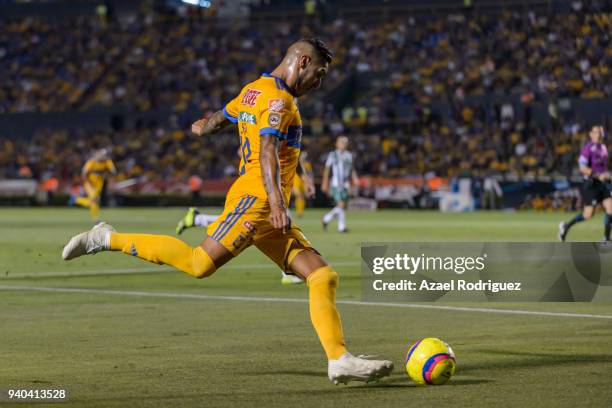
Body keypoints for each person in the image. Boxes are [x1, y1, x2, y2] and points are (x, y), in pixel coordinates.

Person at [62, 38, 393, 384]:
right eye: (319, 74)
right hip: (257, 201)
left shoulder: (254, 89)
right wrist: (279, 203)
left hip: (263, 202)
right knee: (198, 263)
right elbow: (267, 151)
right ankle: (106, 238)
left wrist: (203, 127)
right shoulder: (279, 100)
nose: (319, 83)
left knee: (322, 276)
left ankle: (338, 359)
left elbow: (223, 116)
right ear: (303, 61)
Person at [559, 125, 611, 242]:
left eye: (601, 132)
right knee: (588, 214)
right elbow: (582, 167)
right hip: (590, 184)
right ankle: (566, 226)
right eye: (597, 132)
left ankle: (606, 239)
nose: (599, 135)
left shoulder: (603, 148)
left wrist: (607, 175)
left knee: (610, 208)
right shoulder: (587, 148)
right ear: (591, 134)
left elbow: (604, 167)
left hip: (602, 184)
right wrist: (597, 175)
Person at [321, 136, 359, 232]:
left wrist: (355, 179)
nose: (344, 144)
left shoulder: (349, 155)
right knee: (341, 204)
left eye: (345, 142)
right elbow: (327, 169)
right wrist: (325, 182)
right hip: (336, 184)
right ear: (337, 144)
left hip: (345, 184)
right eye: (341, 142)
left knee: (342, 206)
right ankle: (341, 227)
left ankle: (326, 219)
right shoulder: (332, 155)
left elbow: (351, 169)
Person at [69, 148, 116, 222]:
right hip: (89, 183)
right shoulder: (92, 161)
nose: (104, 156)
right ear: (98, 154)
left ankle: (77, 200)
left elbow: (113, 171)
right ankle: (94, 218)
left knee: (95, 201)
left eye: (106, 155)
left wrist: (107, 173)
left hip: (99, 184)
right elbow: (84, 173)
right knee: (94, 199)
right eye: (103, 155)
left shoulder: (107, 162)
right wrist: (88, 182)